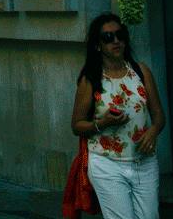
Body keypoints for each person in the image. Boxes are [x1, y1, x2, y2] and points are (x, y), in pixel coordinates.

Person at [70, 12, 165, 219]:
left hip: (144, 162)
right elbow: (76, 125)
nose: (116, 41)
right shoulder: (91, 79)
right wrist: (102, 123)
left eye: (120, 35)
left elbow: (159, 116)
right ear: (98, 45)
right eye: (108, 37)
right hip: (107, 164)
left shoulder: (141, 71)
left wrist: (153, 131)